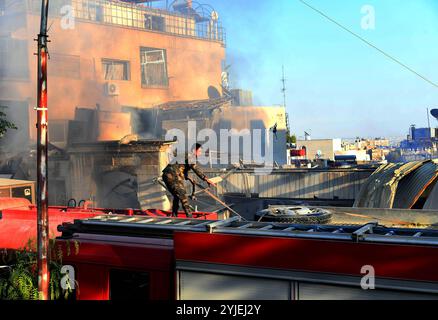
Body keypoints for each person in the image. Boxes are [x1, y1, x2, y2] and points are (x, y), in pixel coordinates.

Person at [162, 143, 214, 217]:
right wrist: (205, 178)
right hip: (172, 176)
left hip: (169, 175)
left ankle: (174, 215)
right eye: (199, 151)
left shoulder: (186, 155)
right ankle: (189, 217)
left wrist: (189, 178)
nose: (200, 153)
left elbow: (182, 169)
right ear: (194, 150)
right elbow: (195, 168)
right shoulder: (190, 156)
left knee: (177, 195)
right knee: (182, 194)